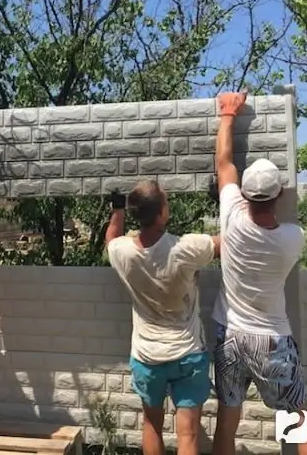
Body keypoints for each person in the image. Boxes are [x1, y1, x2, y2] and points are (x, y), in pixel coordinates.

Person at [211, 91, 307, 455]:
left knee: (227, 424)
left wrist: (228, 113)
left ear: (244, 194)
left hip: (229, 336)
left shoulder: (231, 215)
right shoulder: (293, 239)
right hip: (271, 340)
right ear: (277, 197)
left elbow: (224, 163)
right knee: (299, 422)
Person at [105, 183, 221, 455]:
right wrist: (223, 201)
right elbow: (229, 243)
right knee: (189, 434)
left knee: (151, 425)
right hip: (187, 354)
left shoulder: (123, 253)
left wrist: (117, 210)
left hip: (148, 357)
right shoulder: (185, 248)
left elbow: (110, 240)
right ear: (161, 215)